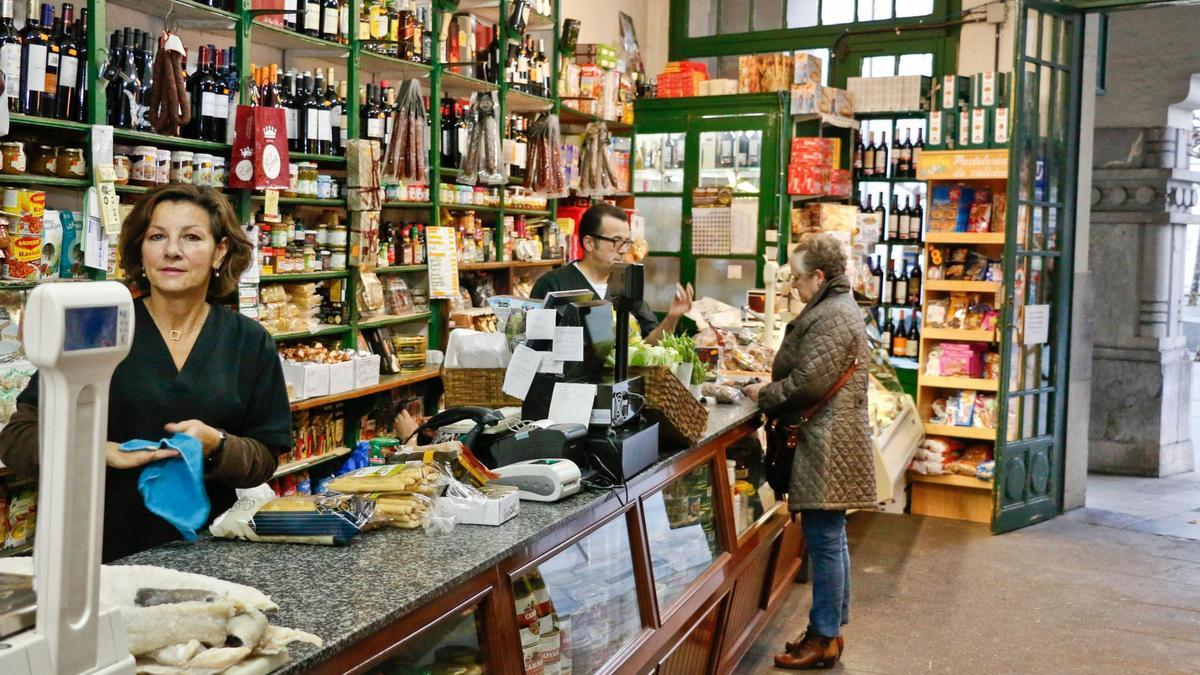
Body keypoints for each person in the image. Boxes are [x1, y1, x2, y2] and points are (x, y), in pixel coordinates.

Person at [0, 184, 291, 562]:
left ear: (220, 251)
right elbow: (18, 437)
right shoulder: (98, 331)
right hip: (97, 552)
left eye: (191, 237)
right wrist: (96, 450)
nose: (172, 250)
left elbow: (264, 457)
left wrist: (217, 444)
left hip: (210, 552)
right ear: (141, 249)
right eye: (157, 236)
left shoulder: (248, 342)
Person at [741, 234, 876, 670]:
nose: (793, 287)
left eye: (797, 278)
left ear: (819, 277)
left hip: (826, 442)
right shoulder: (834, 307)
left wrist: (765, 392)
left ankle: (823, 637)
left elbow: (808, 384)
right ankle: (829, 630)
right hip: (829, 438)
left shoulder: (833, 314)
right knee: (830, 539)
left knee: (824, 540)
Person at [530, 202, 693, 345]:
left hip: (620, 379)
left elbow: (650, 343)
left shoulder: (625, 283)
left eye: (627, 242)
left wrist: (672, 316)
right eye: (616, 241)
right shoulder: (553, 284)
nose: (623, 250)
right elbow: (536, 346)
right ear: (589, 243)